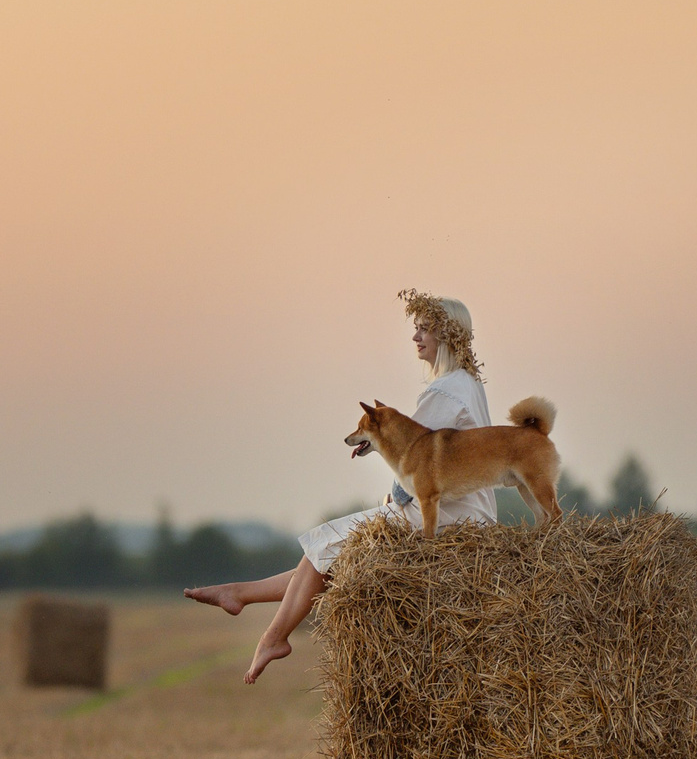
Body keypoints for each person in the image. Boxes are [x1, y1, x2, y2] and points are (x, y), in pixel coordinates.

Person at [188, 290, 497, 683]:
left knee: (328, 541)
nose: (416, 337)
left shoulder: (444, 392)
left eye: (425, 330)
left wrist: (389, 499)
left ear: (447, 335)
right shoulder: (468, 383)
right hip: (469, 511)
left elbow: (412, 467)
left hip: (450, 516)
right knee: (329, 550)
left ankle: (272, 636)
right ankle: (241, 594)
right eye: (415, 329)